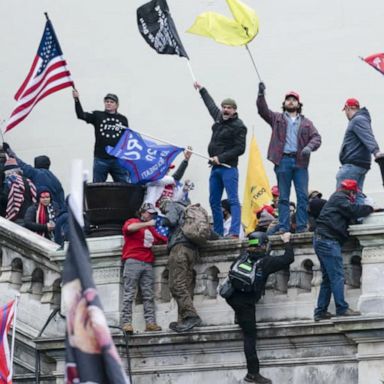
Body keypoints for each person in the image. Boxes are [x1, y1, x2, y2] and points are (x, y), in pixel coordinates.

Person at [225, 232, 294, 384]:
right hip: (246, 303)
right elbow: (288, 259)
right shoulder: (266, 261)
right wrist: (287, 241)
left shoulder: (242, 256)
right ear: (264, 245)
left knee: (243, 315)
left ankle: (239, 316)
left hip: (231, 298)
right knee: (250, 336)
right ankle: (252, 374)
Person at [257, 82, 321, 234]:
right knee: (283, 197)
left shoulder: (306, 123)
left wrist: (308, 147)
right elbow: (262, 110)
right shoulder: (276, 119)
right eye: (288, 99)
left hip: (300, 162)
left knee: (302, 196)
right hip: (283, 161)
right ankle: (284, 227)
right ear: (284, 103)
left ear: (299, 104)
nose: (291, 101)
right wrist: (261, 95)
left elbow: (317, 138)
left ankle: (301, 227)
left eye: (294, 99)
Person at [313, 179, 374, 321]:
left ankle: (320, 311)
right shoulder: (340, 198)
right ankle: (342, 308)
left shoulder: (336, 198)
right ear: (352, 192)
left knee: (328, 278)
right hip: (328, 241)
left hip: (322, 240)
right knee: (337, 276)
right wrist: (370, 208)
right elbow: (353, 210)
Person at [194, 81, 247, 238]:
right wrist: (202, 89)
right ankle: (217, 231)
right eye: (224, 107)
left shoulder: (239, 126)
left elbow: (240, 149)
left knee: (233, 200)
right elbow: (210, 105)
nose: (225, 109)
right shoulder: (218, 118)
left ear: (234, 110)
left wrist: (221, 157)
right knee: (213, 201)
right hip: (215, 168)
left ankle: (234, 231)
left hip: (228, 167)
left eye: (229, 107)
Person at [121, 202, 167, 334]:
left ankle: (150, 323)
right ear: (142, 212)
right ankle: (126, 323)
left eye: (153, 215)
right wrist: (147, 224)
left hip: (147, 262)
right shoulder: (132, 221)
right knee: (129, 293)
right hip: (133, 260)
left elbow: (162, 239)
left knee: (148, 294)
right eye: (149, 213)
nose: (151, 216)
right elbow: (129, 228)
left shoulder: (151, 229)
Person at [160, 198, 201, 332]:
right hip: (193, 251)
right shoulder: (191, 214)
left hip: (179, 249)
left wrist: (160, 220)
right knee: (186, 284)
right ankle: (183, 320)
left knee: (176, 284)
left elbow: (170, 220)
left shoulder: (171, 205)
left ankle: (191, 316)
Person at [72, 89, 130, 183]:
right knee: (97, 186)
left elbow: (126, 138)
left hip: (118, 159)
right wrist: (76, 100)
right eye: (107, 101)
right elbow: (81, 115)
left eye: (111, 102)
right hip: (101, 158)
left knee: (125, 185)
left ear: (116, 105)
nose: (109, 103)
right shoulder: (98, 115)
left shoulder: (122, 119)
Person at [337, 98, 383, 204]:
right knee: (357, 196)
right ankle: (358, 219)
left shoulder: (357, 120)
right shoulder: (361, 119)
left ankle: (345, 220)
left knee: (341, 198)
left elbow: (367, 136)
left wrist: (376, 151)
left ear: (348, 109)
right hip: (359, 165)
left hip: (352, 166)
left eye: (345, 111)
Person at [2, 143, 66, 211]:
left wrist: (8, 150)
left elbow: (21, 164)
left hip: (44, 211)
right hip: (57, 211)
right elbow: (61, 198)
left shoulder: (36, 173)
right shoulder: (55, 179)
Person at [1, 157, 36, 225]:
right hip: (29, 217)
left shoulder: (9, 181)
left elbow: (5, 199)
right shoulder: (28, 181)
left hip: (15, 217)